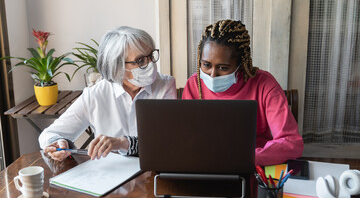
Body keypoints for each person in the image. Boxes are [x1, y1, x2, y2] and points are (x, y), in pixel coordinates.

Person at [39, 26, 176, 161]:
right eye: (140, 60)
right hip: (109, 176)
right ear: (117, 67)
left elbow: (166, 141)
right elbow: (49, 134)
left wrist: (122, 143)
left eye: (151, 56)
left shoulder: (165, 85)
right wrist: (59, 142)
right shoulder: (95, 95)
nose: (150, 63)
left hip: (153, 172)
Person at [182, 19, 304, 166]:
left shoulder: (264, 85)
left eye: (223, 68)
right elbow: (188, 138)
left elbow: (291, 143)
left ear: (241, 64)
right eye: (206, 65)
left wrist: (245, 158)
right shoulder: (194, 84)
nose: (212, 75)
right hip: (205, 164)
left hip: (251, 166)